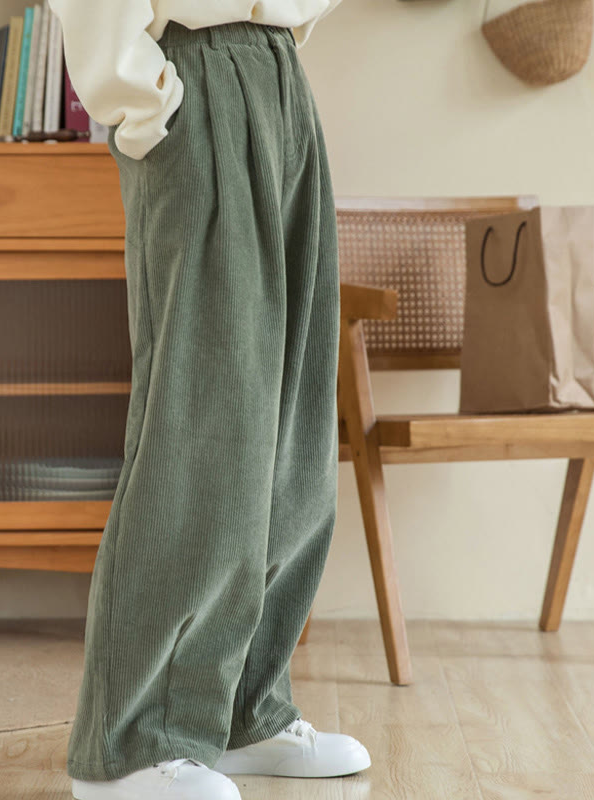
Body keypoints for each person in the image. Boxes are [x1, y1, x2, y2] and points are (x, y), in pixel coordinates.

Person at [45, 1, 371, 798]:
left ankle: (240, 712)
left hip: (278, 80)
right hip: (192, 82)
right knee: (201, 418)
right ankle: (131, 742)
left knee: (292, 425)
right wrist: (146, 102)